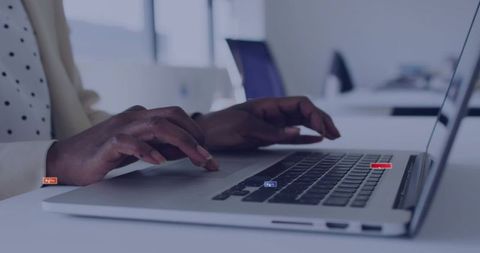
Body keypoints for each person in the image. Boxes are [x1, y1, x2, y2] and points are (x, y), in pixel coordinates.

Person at [0, 0, 340, 200]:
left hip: (51, 192)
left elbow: (76, 112)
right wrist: (52, 162)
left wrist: (197, 130)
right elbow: (61, 159)